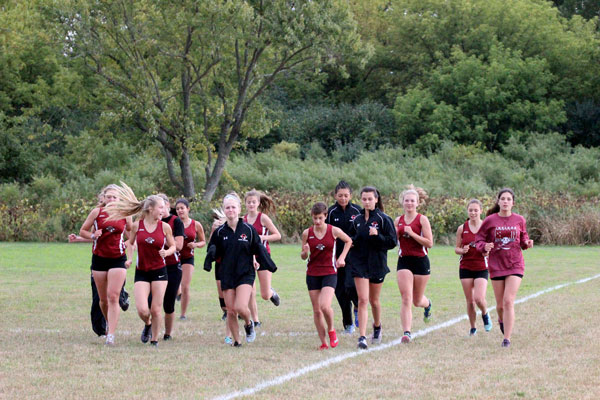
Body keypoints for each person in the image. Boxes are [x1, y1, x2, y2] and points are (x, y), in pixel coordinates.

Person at [105, 183, 177, 347]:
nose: (163, 210)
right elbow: (130, 243)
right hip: (142, 271)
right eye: (160, 207)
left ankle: (154, 340)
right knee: (143, 310)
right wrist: (129, 258)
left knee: (156, 309)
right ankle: (147, 324)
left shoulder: (165, 227)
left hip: (160, 271)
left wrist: (167, 252)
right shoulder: (138, 225)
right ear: (151, 208)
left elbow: (173, 246)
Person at [204, 193, 277, 347]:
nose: (230, 210)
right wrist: (209, 259)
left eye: (233, 207)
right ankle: (237, 341)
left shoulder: (249, 230)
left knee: (240, 307)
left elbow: (258, 248)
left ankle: (249, 324)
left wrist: (266, 263)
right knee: (230, 310)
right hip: (227, 274)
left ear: (239, 209)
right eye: (227, 207)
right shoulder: (219, 232)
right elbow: (212, 250)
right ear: (224, 210)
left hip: (245, 273)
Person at [475, 188, 533, 348]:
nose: (506, 201)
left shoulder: (519, 219)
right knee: (500, 305)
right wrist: (484, 247)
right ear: (498, 201)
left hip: (515, 264)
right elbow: (478, 240)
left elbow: (523, 239)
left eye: (509, 199)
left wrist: (527, 243)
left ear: (513, 203)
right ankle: (501, 319)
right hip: (496, 265)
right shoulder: (490, 220)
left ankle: (506, 339)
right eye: (503, 199)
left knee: (508, 301)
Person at [78, 184, 132, 346]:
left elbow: (131, 234)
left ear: (119, 199)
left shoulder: (125, 214)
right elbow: (83, 231)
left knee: (113, 296)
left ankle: (111, 335)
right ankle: (108, 322)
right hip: (99, 259)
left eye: (115, 197)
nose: (112, 199)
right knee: (103, 300)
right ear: (104, 198)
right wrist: (93, 235)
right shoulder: (97, 212)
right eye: (109, 197)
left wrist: (127, 246)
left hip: (118, 259)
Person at [348, 186, 397, 350]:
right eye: (364, 199)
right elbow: (351, 239)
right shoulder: (357, 220)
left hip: (377, 264)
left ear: (376, 199)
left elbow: (392, 242)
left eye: (370, 199)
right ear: (361, 200)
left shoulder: (383, 219)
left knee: (374, 301)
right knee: (362, 300)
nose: (367, 201)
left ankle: (377, 326)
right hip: (359, 263)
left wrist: (378, 236)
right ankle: (362, 337)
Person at [301, 202, 352, 350]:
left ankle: (331, 330)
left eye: (320, 218)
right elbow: (304, 256)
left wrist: (341, 258)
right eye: (315, 218)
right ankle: (323, 342)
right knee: (316, 310)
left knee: (325, 305)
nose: (317, 221)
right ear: (312, 217)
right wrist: (304, 252)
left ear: (326, 216)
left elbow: (349, 240)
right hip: (312, 273)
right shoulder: (307, 233)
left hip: (330, 272)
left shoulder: (334, 230)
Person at [67, 233, 129, 337]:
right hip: (99, 262)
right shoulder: (98, 218)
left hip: (116, 261)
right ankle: (101, 331)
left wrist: (120, 245)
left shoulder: (123, 218)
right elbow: (95, 238)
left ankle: (122, 295)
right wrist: (78, 238)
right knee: (98, 298)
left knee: (113, 296)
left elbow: (133, 238)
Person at [395, 185, 434, 344]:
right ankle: (407, 333)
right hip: (404, 261)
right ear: (402, 202)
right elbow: (392, 241)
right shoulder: (398, 221)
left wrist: (412, 233)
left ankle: (428, 304)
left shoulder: (422, 219)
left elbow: (429, 243)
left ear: (417, 203)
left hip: (420, 261)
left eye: (412, 201)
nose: (409, 203)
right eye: (407, 200)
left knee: (417, 300)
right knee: (406, 298)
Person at [326, 180, 361, 334]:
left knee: (350, 286)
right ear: (335, 196)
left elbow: (362, 231)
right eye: (340, 196)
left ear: (351, 195)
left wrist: (353, 241)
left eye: (346, 195)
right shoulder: (331, 212)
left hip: (353, 255)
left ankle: (358, 307)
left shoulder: (358, 211)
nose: (343, 198)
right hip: (335, 257)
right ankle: (348, 324)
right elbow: (326, 233)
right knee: (339, 291)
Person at [243, 189, 282, 327]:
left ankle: (272, 293)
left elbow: (278, 235)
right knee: (250, 291)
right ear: (245, 204)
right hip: (248, 258)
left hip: (263, 256)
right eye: (249, 202)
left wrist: (261, 238)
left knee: (264, 294)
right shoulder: (244, 220)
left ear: (258, 203)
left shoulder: (263, 218)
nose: (251, 204)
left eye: (254, 202)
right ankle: (256, 320)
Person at [454, 199, 492, 336]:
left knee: (479, 298)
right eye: (471, 210)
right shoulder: (462, 228)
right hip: (465, 266)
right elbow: (456, 248)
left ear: (481, 211)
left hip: (481, 266)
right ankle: (473, 328)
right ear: (467, 211)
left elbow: (490, 248)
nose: (473, 212)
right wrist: (462, 250)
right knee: (470, 300)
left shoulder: (486, 228)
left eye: (476, 210)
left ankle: (485, 313)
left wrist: (487, 251)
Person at [156, 194, 184, 340]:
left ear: (167, 205)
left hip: (172, 266)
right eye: (157, 207)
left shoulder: (176, 221)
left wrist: (162, 237)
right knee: (151, 303)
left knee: (168, 303)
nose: (160, 210)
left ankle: (167, 333)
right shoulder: (149, 221)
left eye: (162, 206)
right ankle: (150, 327)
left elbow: (179, 246)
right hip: (153, 266)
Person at [175, 198, 206, 320]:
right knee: (172, 284)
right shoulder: (173, 223)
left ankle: (183, 314)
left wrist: (196, 244)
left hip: (188, 258)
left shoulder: (196, 224)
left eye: (182, 208)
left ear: (188, 209)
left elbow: (203, 241)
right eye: (177, 209)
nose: (180, 211)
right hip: (174, 257)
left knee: (185, 286)